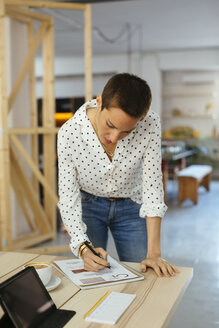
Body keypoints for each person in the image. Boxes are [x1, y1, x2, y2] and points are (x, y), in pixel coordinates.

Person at [57, 73, 179, 278]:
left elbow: (152, 185)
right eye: (111, 125)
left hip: (132, 206)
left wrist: (155, 253)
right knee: (93, 274)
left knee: (143, 275)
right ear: (99, 101)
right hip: (89, 205)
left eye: (126, 132)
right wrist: (82, 247)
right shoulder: (69, 133)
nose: (114, 138)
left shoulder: (149, 124)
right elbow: (68, 195)